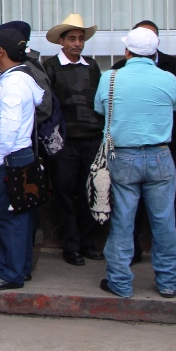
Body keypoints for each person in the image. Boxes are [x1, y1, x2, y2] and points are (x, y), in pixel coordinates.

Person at [95, 27, 176, 299]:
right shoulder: (168, 78)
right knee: (164, 220)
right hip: (160, 155)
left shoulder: (110, 78)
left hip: (123, 156)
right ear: (154, 52)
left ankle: (120, 282)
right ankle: (168, 281)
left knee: (122, 221)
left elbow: (100, 109)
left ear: (127, 51)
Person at [110, 20, 176, 269]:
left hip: (164, 145)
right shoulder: (118, 70)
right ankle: (135, 254)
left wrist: (162, 101)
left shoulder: (173, 67)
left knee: (172, 206)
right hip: (128, 146)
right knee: (129, 210)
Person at [0, 27, 44, 291]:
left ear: (1, 51)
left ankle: (10, 273)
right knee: (20, 217)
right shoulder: (19, 78)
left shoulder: (14, 84)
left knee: (11, 219)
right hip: (17, 157)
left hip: (10, 158)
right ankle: (21, 266)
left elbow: (9, 125)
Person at [42, 13, 105, 266]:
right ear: (62, 41)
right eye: (72, 39)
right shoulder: (51, 67)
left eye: (80, 39)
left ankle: (88, 243)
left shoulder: (93, 67)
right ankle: (71, 245)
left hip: (91, 139)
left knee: (89, 192)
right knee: (65, 194)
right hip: (65, 142)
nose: (77, 43)